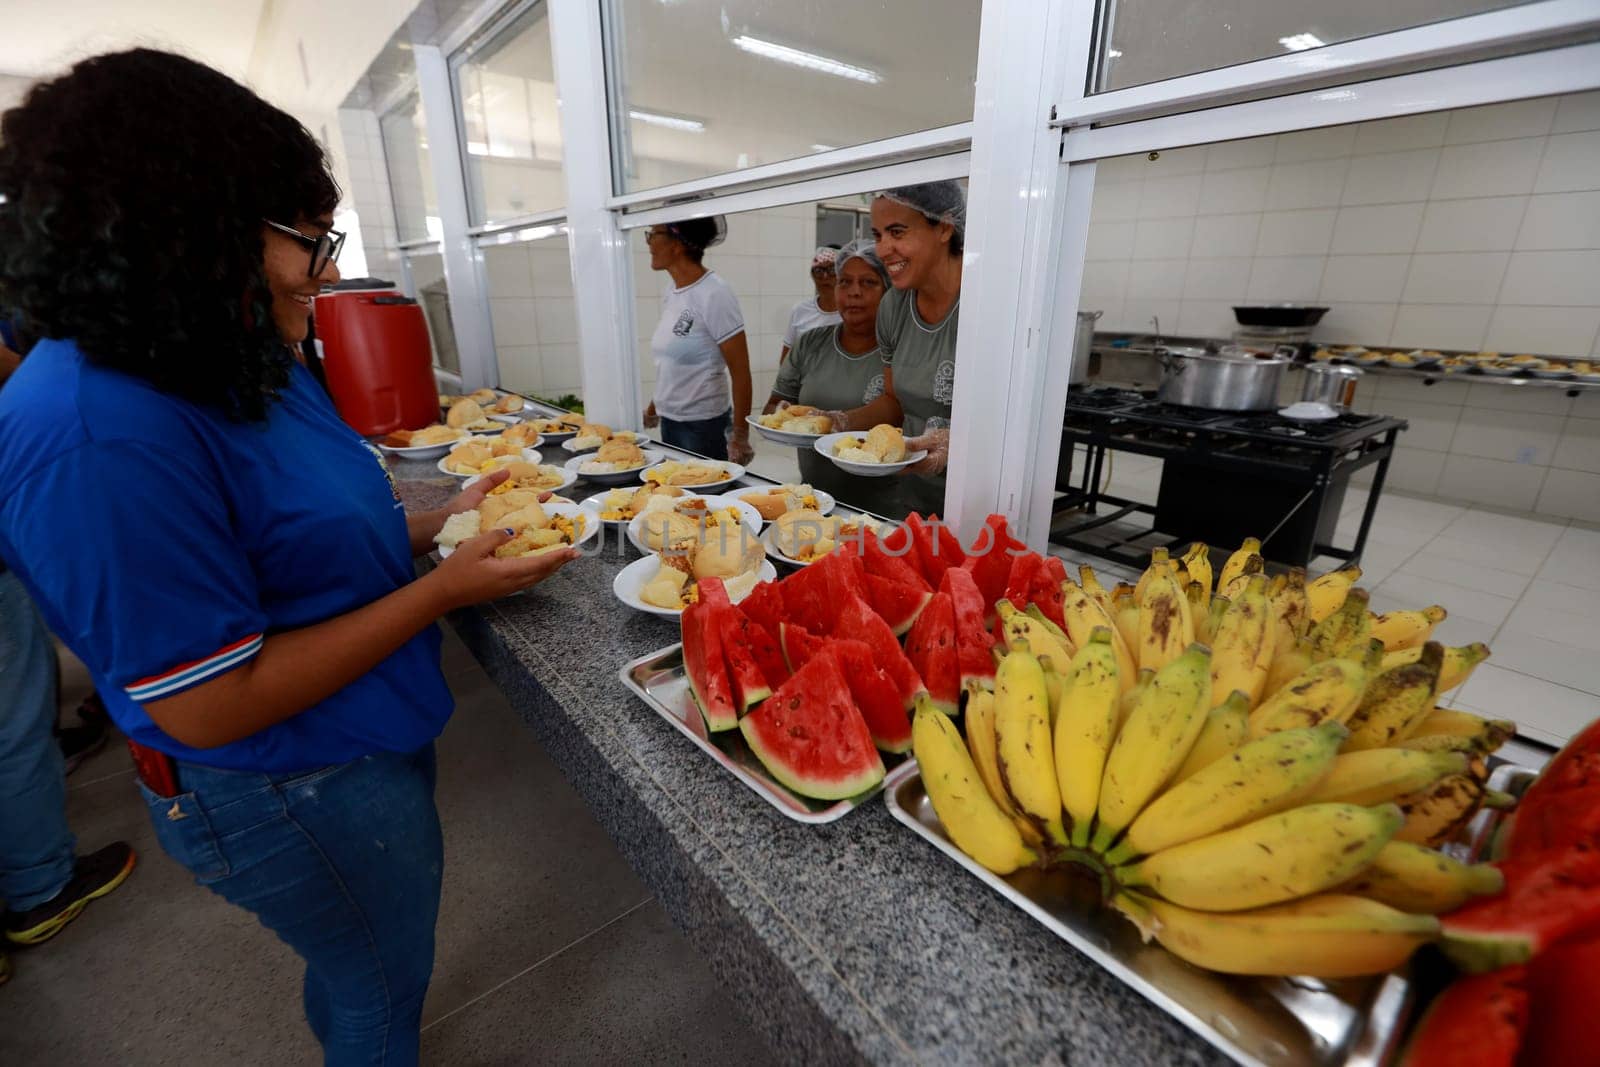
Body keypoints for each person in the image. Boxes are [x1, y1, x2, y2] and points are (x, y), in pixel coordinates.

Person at [0, 49, 576, 1058]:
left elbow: (282, 544)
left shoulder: (230, 349)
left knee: (364, 959)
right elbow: (207, 697)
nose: (324, 269)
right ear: (187, 222)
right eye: (305, 240)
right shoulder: (93, 428)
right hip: (283, 781)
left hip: (360, 736)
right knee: (376, 984)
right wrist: (440, 589)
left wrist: (426, 525)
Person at [824, 181, 964, 518]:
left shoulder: (988, 302)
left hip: (978, 500)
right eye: (878, 235)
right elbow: (893, 402)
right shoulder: (894, 306)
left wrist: (955, 444)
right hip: (914, 496)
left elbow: (1014, 421)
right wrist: (839, 422)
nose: (884, 249)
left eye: (897, 232)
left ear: (944, 228)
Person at [762, 239, 891, 510]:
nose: (854, 293)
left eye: (868, 282)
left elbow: (902, 412)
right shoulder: (810, 343)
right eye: (844, 282)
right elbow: (774, 406)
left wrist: (837, 421)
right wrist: (785, 414)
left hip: (883, 504)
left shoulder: (899, 350)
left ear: (888, 291)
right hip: (815, 497)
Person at [640, 217, 755, 465]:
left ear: (677, 243)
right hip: (670, 422)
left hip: (704, 427)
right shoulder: (672, 291)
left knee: (702, 498)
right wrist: (653, 409)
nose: (648, 242)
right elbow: (670, 362)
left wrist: (740, 436)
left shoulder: (715, 293)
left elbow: (741, 371)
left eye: (653, 234)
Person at [778, 246, 842, 365]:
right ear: (812, 275)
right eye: (818, 271)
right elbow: (786, 361)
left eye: (832, 270)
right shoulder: (800, 310)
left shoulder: (851, 312)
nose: (825, 277)